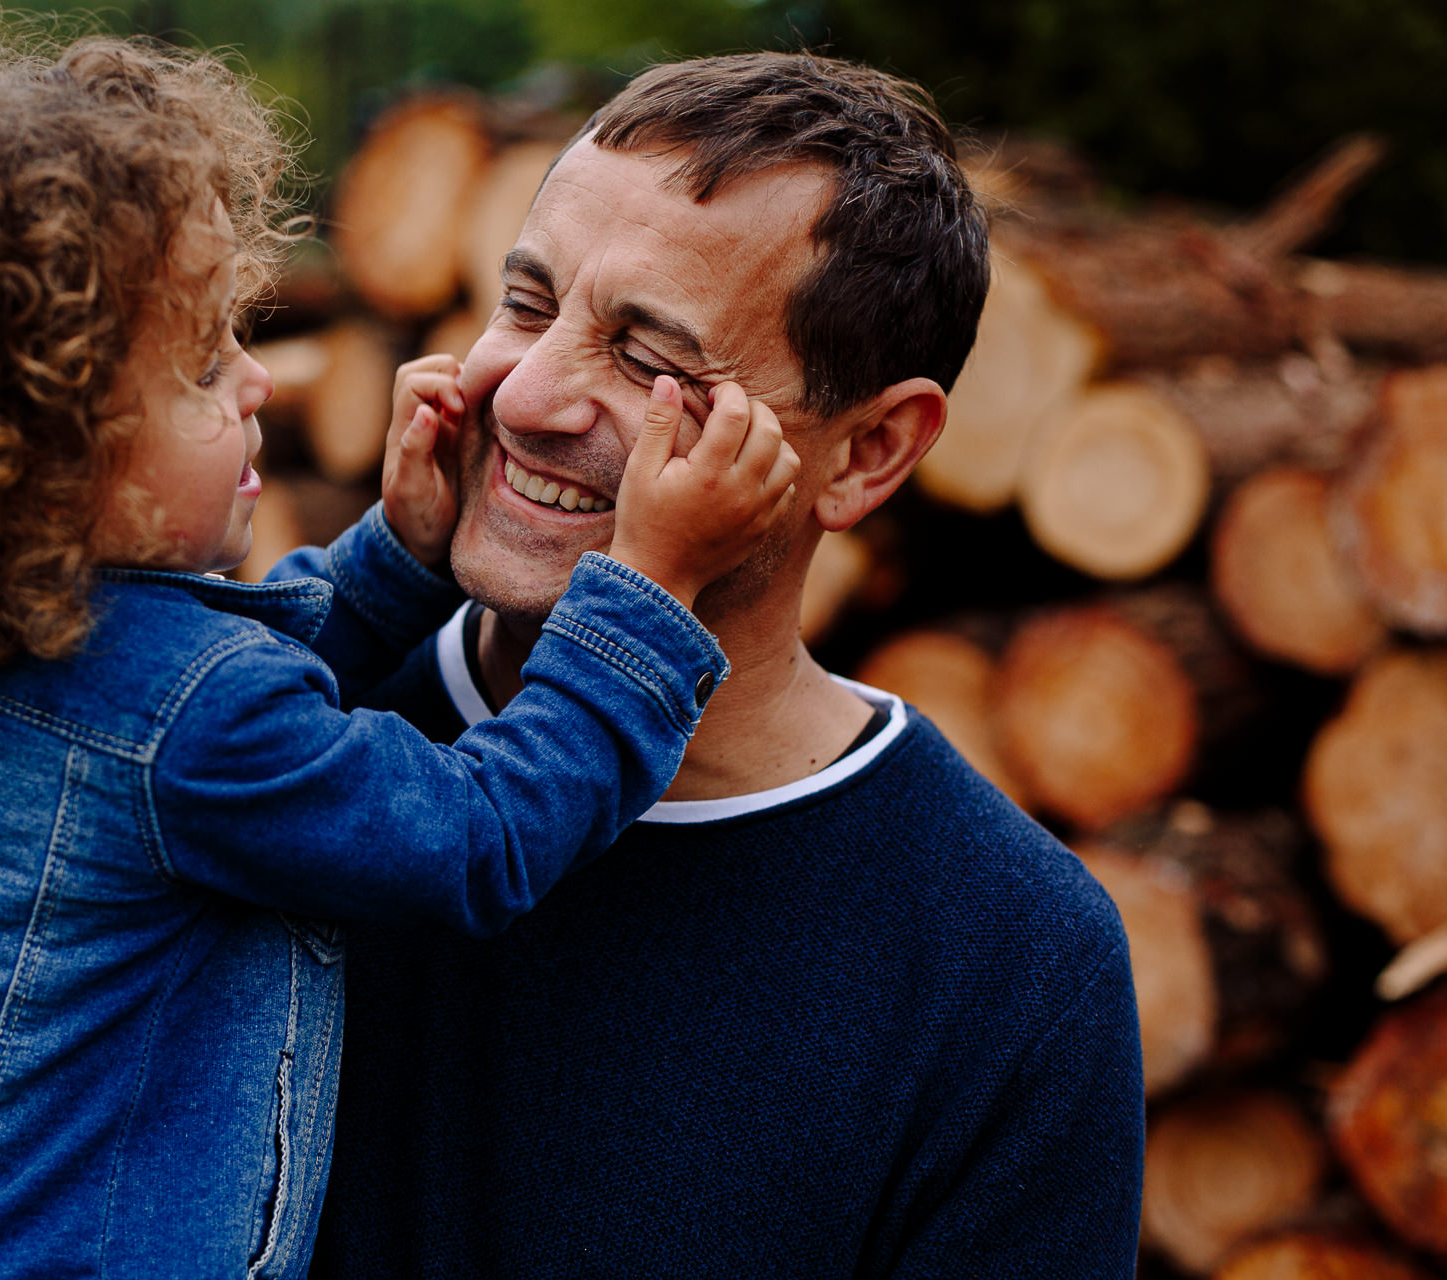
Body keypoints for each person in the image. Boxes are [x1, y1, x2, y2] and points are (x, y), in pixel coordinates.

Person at [0, 22, 805, 1279]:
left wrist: (395, 553)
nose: (258, 383)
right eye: (196, 364)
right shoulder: (187, 717)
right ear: (33, 452)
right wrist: (644, 594)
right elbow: (473, 836)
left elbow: (210, 693)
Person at [309, 52, 1145, 1278]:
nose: (528, 395)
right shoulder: (279, 741)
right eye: (528, 304)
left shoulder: (1012, 962)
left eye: (651, 358)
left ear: (867, 452)